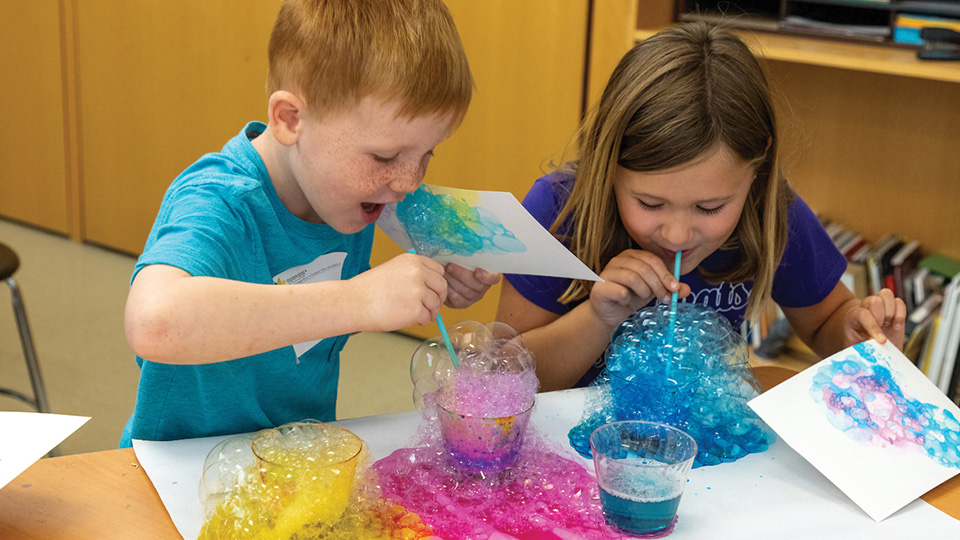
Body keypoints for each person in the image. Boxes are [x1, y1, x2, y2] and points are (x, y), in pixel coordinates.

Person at [120, 0, 500, 447]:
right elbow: (154, 322)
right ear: (290, 119)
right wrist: (359, 299)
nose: (407, 182)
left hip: (292, 465)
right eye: (385, 156)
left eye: (427, 154)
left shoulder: (346, 195)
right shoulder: (219, 198)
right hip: (179, 472)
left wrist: (435, 280)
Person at [496, 22, 905, 392]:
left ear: (758, 166)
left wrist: (854, 332)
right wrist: (599, 319)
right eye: (650, 203)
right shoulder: (557, 211)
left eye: (710, 208)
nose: (676, 235)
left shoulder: (771, 214)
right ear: (609, 159)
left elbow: (823, 322)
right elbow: (504, 377)